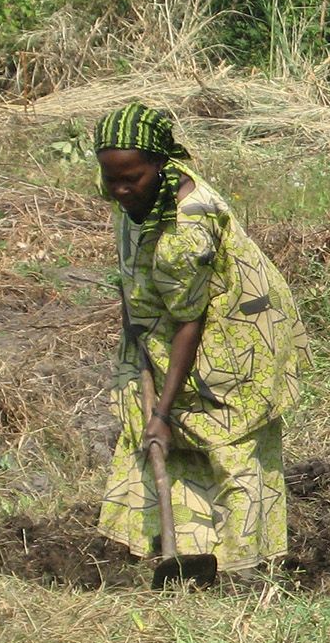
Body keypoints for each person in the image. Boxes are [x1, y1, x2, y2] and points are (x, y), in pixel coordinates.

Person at [93, 104, 304, 574]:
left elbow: (190, 321)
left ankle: (244, 569)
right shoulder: (141, 187)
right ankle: (188, 553)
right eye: (112, 179)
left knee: (228, 446)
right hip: (172, 325)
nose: (121, 190)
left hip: (234, 340)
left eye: (132, 178)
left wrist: (164, 411)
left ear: (161, 166)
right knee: (155, 434)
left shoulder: (186, 230)